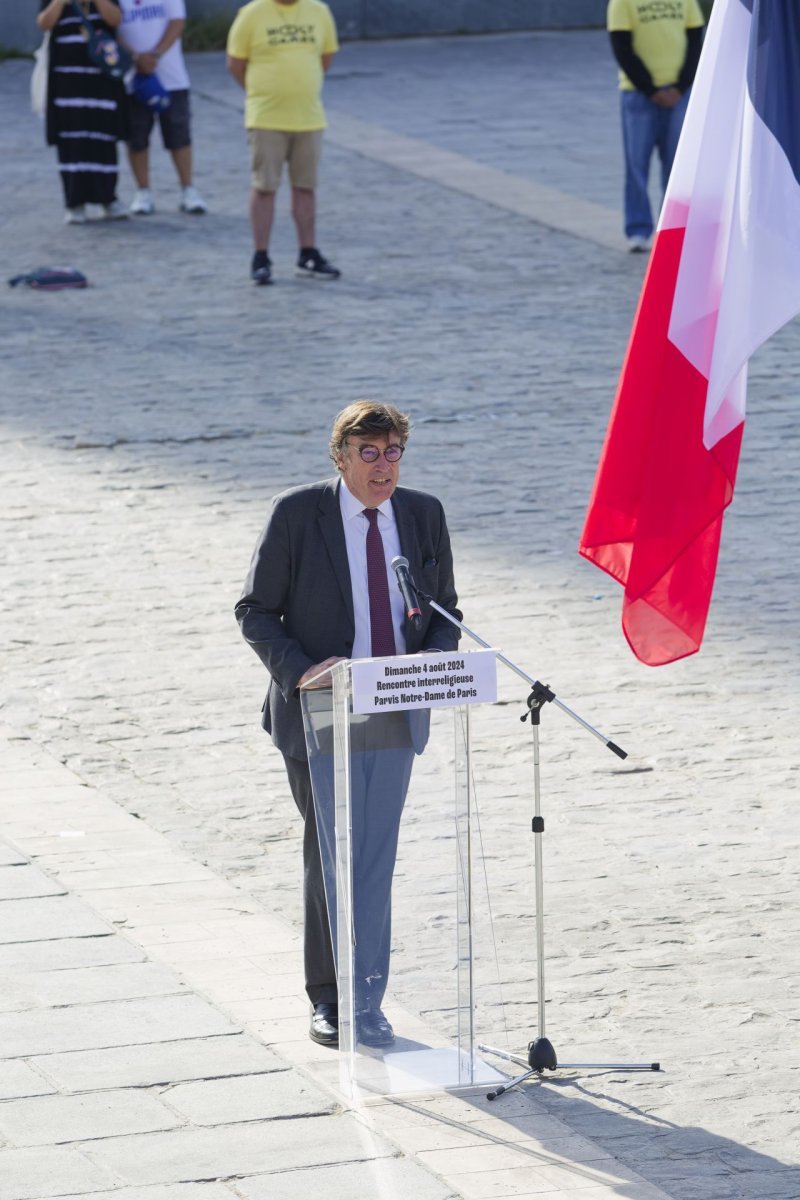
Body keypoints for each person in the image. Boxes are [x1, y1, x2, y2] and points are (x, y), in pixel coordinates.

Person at [235, 401, 461, 1047]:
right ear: (340, 457)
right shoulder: (297, 513)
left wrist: (436, 660)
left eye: (393, 452)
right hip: (319, 708)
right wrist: (303, 669)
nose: (383, 466)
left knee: (375, 857)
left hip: (394, 703)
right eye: (369, 453)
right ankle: (329, 1000)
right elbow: (255, 610)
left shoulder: (423, 514)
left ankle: (371, 999)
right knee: (330, 853)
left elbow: (444, 611)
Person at [225, 0, 341, 286]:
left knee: (306, 187)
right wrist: (263, 93)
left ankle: (308, 253)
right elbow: (235, 64)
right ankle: (261, 256)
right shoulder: (251, 14)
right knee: (265, 187)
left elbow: (325, 58)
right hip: (266, 118)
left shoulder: (319, 11)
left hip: (309, 117)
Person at [607, 0, 704, 252]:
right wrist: (651, 89)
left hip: (679, 96)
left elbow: (696, 39)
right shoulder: (622, 2)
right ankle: (638, 230)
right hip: (639, 96)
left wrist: (681, 86)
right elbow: (622, 48)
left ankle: (672, 229)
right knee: (637, 165)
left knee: (677, 167)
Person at [37, 0, 128, 224]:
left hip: (101, 82)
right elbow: (43, 23)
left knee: (103, 139)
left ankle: (108, 198)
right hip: (67, 84)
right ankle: (74, 202)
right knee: (72, 141)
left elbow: (116, 19)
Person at [116, 0, 207, 216]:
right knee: (136, 137)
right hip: (133, 77)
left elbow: (177, 23)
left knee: (179, 135)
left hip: (171, 76)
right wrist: (135, 57)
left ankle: (188, 189)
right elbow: (113, 28)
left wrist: (155, 55)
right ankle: (143, 192)